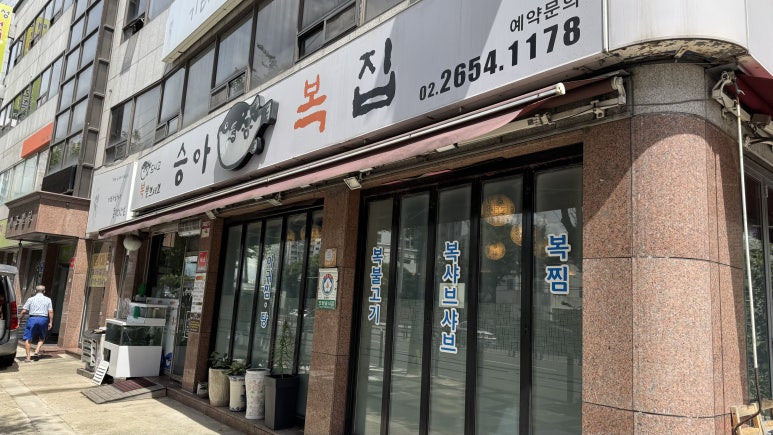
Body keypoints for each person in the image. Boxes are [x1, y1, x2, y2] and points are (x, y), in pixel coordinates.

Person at [20, 285, 53, 362]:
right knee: (42, 337)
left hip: (32, 318)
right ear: (44, 291)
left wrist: (20, 320)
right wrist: (51, 322)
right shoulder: (48, 299)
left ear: (35, 291)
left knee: (28, 338)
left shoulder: (30, 299)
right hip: (43, 319)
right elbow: (50, 311)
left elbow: (24, 311)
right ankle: (37, 350)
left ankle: (28, 358)